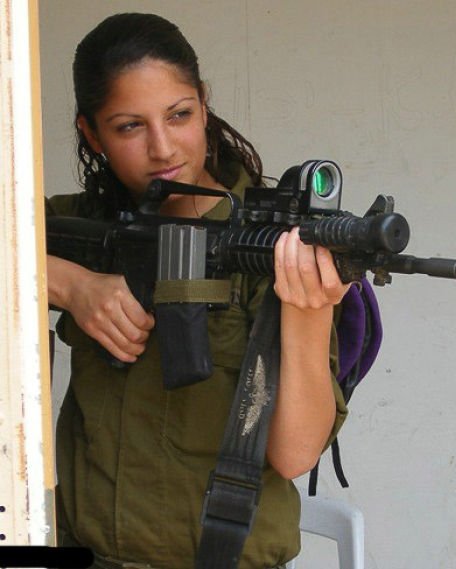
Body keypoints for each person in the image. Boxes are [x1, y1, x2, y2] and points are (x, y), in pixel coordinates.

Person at [46, 12, 349, 569]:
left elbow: (294, 454)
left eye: (179, 115)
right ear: (91, 133)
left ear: (204, 104)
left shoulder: (270, 241)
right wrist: (70, 283)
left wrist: (310, 315)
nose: (163, 148)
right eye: (129, 126)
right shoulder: (79, 225)